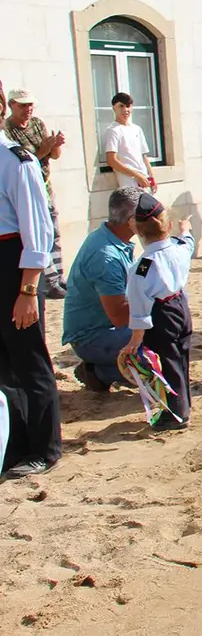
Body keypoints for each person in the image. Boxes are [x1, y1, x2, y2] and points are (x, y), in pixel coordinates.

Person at [0, 86, 59, 479]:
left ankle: (44, 449)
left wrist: (28, 290)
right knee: (3, 366)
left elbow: (36, 229)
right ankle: (14, 445)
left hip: (12, 264)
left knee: (29, 361)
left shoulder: (16, 161)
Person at [121, 195, 195, 431]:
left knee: (168, 362)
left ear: (139, 233)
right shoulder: (178, 248)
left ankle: (176, 413)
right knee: (181, 357)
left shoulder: (143, 265)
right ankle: (184, 405)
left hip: (161, 312)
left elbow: (139, 302)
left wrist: (135, 338)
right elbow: (188, 243)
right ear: (168, 226)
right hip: (181, 306)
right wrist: (186, 230)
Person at [62, 188, 142, 393]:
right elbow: (119, 316)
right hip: (94, 336)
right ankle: (99, 372)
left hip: (103, 327)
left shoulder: (110, 238)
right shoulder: (106, 256)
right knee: (157, 348)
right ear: (132, 220)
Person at [4, 88, 67, 297]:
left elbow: (53, 156)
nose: (27, 109)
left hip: (45, 185)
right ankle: (48, 281)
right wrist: (43, 150)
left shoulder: (37, 123)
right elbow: (26, 161)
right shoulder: (8, 130)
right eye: (22, 105)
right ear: (11, 104)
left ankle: (58, 276)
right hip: (26, 187)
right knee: (37, 233)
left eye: (30, 104)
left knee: (53, 232)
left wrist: (55, 146)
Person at [103, 92, 158, 192]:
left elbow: (143, 156)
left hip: (144, 181)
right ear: (114, 108)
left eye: (128, 106)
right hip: (129, 184)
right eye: (121, 106)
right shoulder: (113, 130)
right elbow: (111, 161)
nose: (125, 110)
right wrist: (136, 175)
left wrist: (152, 177)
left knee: (156, 207)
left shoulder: (137, 129)